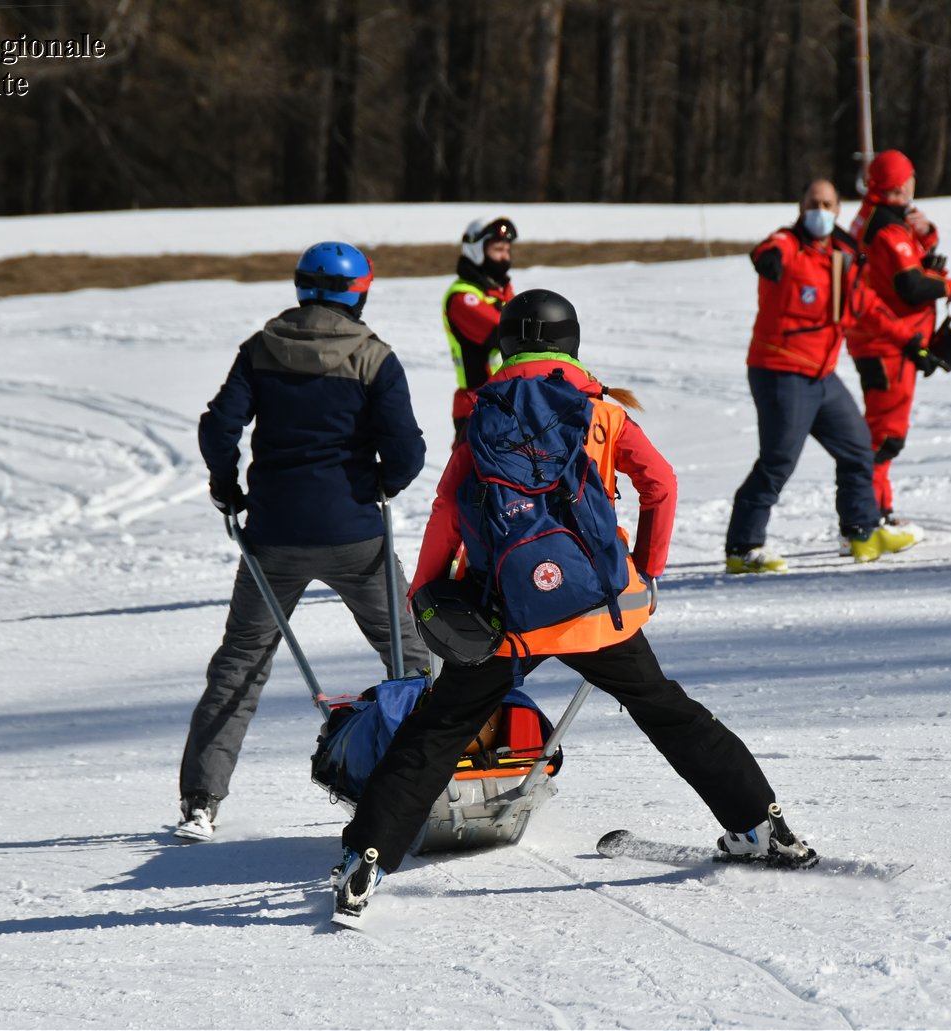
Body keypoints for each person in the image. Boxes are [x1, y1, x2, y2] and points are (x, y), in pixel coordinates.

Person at [332, 289, 817, 921]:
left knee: (436, 732)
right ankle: (762, 826)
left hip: (506, 617)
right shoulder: (601, 412)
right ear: (573, 344)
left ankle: (364, 862)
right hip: (596, 612)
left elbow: (449, 509)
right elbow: (661, 484)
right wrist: (644, 572)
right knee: (668, 711)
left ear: (505, 344)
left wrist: (427, 590)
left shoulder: (483, 414)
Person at [175, 241, 429, 841]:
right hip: (355, 537)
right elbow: (408, 452)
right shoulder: (373, 357)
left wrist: (225, 486)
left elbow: (220, 426)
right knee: (411, 657)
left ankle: (200, 803)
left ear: (300, 288)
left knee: (240, 663)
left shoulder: (261, 349)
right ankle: (430, 779)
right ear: (359, 291)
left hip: (274, 538)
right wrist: (380, 485)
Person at [725, 179, 920, 572]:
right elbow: (768, 249)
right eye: (813, 202)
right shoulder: (788, 246)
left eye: (827, 203)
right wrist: (766, 260)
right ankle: (743, 548)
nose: (820, 210)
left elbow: (865, 304)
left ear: (838, 208)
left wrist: (912, 342)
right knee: (778, 460)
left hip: (822, 375)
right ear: (801, 206)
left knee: (858, 449)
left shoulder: (841, 254)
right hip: (781, 371)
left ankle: (861, 530)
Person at [845, 150, 951, 524]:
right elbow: (911, 284)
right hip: (889, 342)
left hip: (882, 338)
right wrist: (950, 287)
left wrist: (926, 234)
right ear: (902, 184)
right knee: (885, 436)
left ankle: (879, 509)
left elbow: (907, 262)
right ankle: (865, 516)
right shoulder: (886, 226)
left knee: (882, 432)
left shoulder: (872, 217)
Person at [443, 216, 517, 445]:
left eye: (507, 249)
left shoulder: (500, 291)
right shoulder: (463, 297)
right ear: (476, 249)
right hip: (478, 406)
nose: (505, 256)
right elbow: (508, 335)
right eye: (498, 249)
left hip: (506, 401)